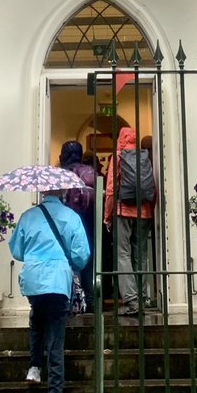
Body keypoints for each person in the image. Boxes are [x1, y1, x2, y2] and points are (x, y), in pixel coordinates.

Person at [8, 189, 89, 393]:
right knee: (55, 342)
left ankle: (34, 367)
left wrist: (36, 255)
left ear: (43, 192)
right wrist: (66, 262)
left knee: (36, 320)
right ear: (63, 193)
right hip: (58, 281)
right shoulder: (71, 217)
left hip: (34, 278)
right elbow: (81, 255)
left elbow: (17, 250)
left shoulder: (28, 216)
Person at [103, 127, 156, 316]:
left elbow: (110, 191)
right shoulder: (145, 157)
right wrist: (152, 210)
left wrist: (107, 215)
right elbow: (153, 186)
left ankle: (131, 301)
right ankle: (142, 297)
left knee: (122, 254)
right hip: (145, 212)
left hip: (123, 211)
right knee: (140, 254)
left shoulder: (118, 157)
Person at [59, 140, 96, 312]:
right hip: (88, 222)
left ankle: (70, 299)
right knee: (87, 260)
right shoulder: (90, 172)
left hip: (65, 222)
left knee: (66, 260)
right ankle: (90, 300)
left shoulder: (60, 174)